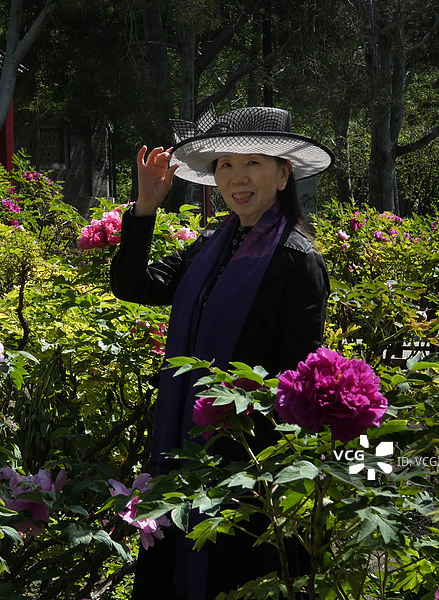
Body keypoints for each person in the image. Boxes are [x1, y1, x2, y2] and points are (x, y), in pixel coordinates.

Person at [110, 106, 334, 600]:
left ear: (282, 174)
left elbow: (296, 376)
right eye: (226, 166)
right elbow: (135, 286)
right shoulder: (213, 243)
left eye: (252, 163)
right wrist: (145, 207)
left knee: (228, 574)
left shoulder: (297, 261)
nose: (237, 178)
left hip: (246, 455)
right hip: (185, 441)